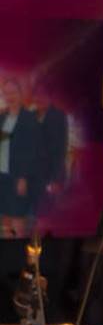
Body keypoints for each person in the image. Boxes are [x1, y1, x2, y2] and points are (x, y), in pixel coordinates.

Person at [0, 78, 41, 237]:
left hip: (18, 177)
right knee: (5, 217)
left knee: (18, 218)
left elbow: (32, 151)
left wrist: (23, 178)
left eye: (13, 92)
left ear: (20, 94)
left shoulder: (29, 119)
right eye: (6, 93)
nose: (10, 96)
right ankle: (7, 247)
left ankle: (17, 248)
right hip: (2, 175)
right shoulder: (2, 118)